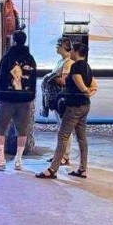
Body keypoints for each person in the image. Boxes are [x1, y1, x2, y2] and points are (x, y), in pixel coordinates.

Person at [37, 41, 93, 179]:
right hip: (85, 105)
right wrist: (89, 93)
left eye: (72, 50)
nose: (70, 52)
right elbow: (94, 85)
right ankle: (82, 169)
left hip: (74, 106)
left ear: (77, 52)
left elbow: (80, 85)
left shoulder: (75, 67)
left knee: (63, 136)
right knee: (82, 138)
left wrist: (85, 91)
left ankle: (53, 169)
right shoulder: (87, 66)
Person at [0, 30, 37, 172]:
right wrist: (30, 96)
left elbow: (1, 78)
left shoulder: (7, 58)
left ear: (13, 40)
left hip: (7, 98)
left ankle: (0, 158)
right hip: (24, 100)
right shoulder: (30, 58)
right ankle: (18, 160)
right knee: (22, 130)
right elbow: (33, 79)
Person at [41, 37, 76, 166]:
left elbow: (64, 81)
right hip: (57, 99)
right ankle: (59, 154)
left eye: (58, 45)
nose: (56, 47)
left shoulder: (68, 63)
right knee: (60, 127)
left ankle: (65, 155)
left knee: (65, 128)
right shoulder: (60, 61)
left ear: (63, 47)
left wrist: (50, 77)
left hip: (63, 99)